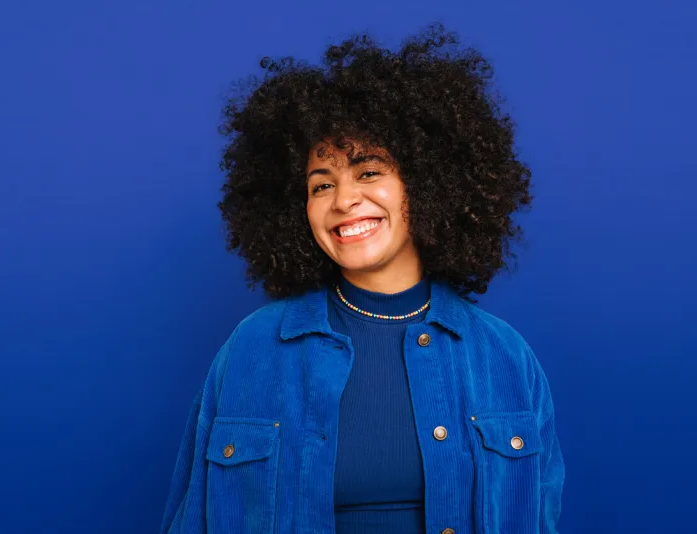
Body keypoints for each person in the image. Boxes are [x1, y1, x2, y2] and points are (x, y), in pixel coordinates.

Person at [160, 24, 564, 534]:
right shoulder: (252, 350)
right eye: (321, 183)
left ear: (425, 182)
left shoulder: (504, 358)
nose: (344, 200)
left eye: (369, 172)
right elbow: (191, 518)